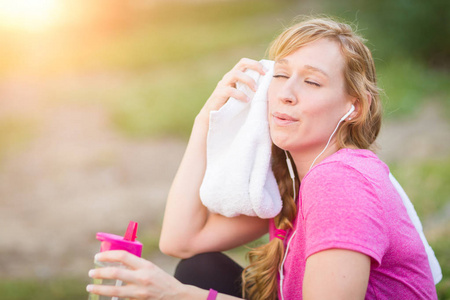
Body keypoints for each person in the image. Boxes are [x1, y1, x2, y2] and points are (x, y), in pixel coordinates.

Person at [86, 16, 438, 299]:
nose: (285, 93)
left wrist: (176, 296)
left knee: (191, 284)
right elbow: (180, 241)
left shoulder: (341, 181)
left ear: (353, 107)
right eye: (281, 75)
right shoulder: (294, 189)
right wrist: (205, 121)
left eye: (311, 82)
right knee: (201, 269)